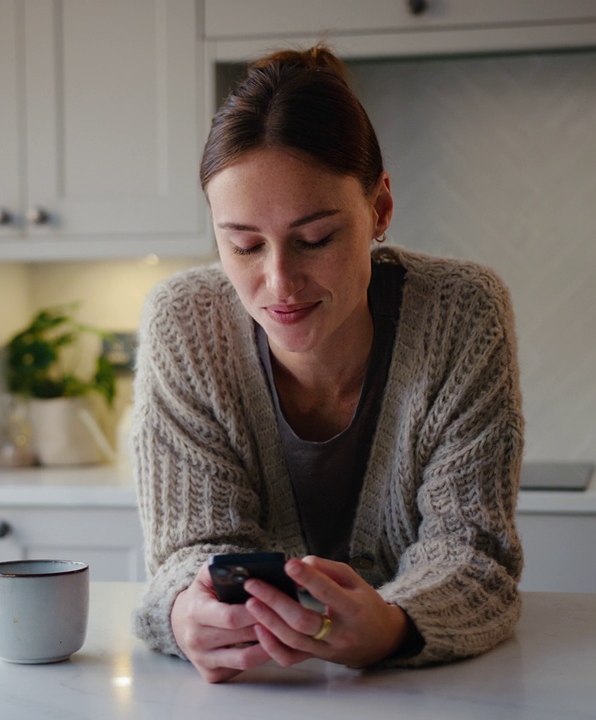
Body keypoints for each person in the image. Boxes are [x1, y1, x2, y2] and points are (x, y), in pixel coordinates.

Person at [130, 44, 524, 683]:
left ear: (380, 209)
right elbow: (189, 550)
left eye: (316, 239)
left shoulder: (461, 312)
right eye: (245, 244)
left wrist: (393, 626)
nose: (279, 282)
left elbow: (473, 551)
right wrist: (184, 612)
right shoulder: (184, 324)